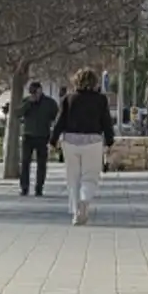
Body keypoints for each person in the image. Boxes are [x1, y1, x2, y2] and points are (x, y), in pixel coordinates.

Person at [50, 68, 115, 225]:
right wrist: (110, 141)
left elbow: (60, 121)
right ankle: (84, 202)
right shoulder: (101, 100)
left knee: (73, 177)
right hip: (93, 141)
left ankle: (75, 212)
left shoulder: (68, 99)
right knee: (90, 176)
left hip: (70, 141)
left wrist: (53, 140)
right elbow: (106, 121)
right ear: (95, 82)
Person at [16, 80, 58, 197]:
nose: (35, 94)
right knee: (25, 162)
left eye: (36, 91)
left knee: (42, 164)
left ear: (40, 90)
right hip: (28, 136)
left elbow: (55, 115)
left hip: (43, 136)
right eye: (32, 92)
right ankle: (24, 187)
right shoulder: (26, 101)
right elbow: (18, 113)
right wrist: (28, 103)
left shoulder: (49, 103)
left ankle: (39, 187)